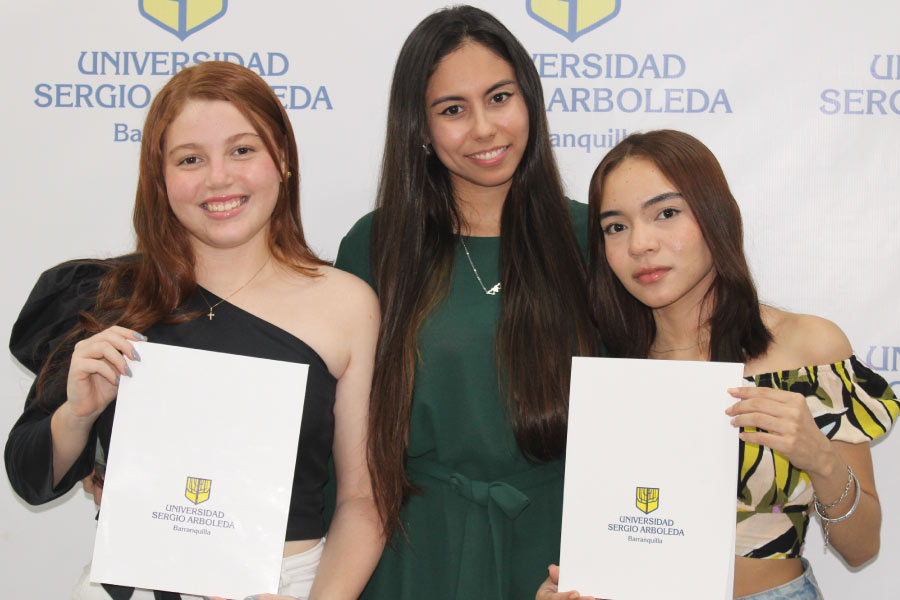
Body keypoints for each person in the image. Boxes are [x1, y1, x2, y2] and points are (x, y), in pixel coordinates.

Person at [5, 61, 383, 600]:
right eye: (190, 159)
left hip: (286, 587)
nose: (219, 178)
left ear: (282, 158)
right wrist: (78, 414)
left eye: (242, 150)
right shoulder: (106, 296)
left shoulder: (345, 304)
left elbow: (363, 500)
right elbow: (30, 479)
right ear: (159, 179)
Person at [538, 129, 898, 600]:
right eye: (615, 227)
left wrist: (820, 458)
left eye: (666, 213)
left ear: (715, 215)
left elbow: (862, 548)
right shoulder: (606, 371)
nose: (640, 244)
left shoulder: (808, 349)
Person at [331, 5, 596, 600]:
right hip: (413, 553)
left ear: (529, 101)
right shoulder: (376, 245)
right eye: (453, 109)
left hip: (561, 559)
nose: (484, 128)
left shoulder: (594, 238)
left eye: (499, 98)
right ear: (421, 129)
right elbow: (333, 427)